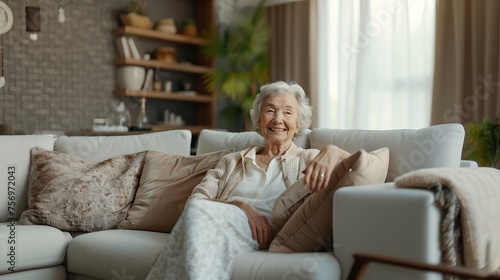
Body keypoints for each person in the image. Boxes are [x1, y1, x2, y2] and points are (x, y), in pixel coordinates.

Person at [146, 81, 349, 280]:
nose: (278, 119)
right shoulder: (231, 161)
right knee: (195, 211)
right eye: (271, 110)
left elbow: (359, 165)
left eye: (288, 112)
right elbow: (195, 202)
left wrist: (333, 151)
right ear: (259, 120)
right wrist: (238, 206)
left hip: (268, 231)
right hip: (221, 221)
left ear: (297, 125)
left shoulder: (309, 159)